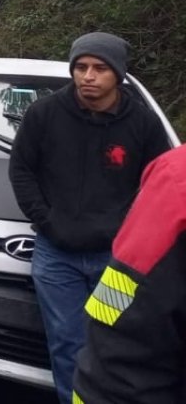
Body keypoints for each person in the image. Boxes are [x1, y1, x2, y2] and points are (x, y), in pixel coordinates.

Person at [8, 31, 171, 404]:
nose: (88, 76)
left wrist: (128, 229)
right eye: (80, 67)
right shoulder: (44, 114)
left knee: (115, 343)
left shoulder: (143, 123)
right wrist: (47, 221)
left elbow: (158, 183)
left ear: (119, 74)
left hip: (117, 261)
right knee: (67, 342)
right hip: (56, 258)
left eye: (100, 68)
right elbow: (21, 170)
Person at [72, 144, 186, 403]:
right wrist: (49, 222)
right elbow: (118, 368)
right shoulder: (177, 180)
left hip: (112, 245)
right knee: (65, 340)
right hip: (62, 249)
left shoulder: (172, 171)